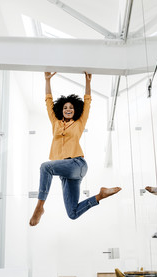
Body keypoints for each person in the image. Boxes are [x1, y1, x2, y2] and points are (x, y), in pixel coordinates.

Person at [29, 71, 121, 227]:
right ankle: (100, 195)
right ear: (61, 109)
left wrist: (88, 82)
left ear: (75, 110)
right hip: (65, 174)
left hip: (77, 164)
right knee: (72, 213)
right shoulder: (55, 123)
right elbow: (48, 101)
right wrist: (47, 80)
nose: (68, 109)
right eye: (65, 107)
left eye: (71, 107)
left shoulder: (79, 123)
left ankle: (39, 206)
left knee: (45, 167)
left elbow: (87, 102)